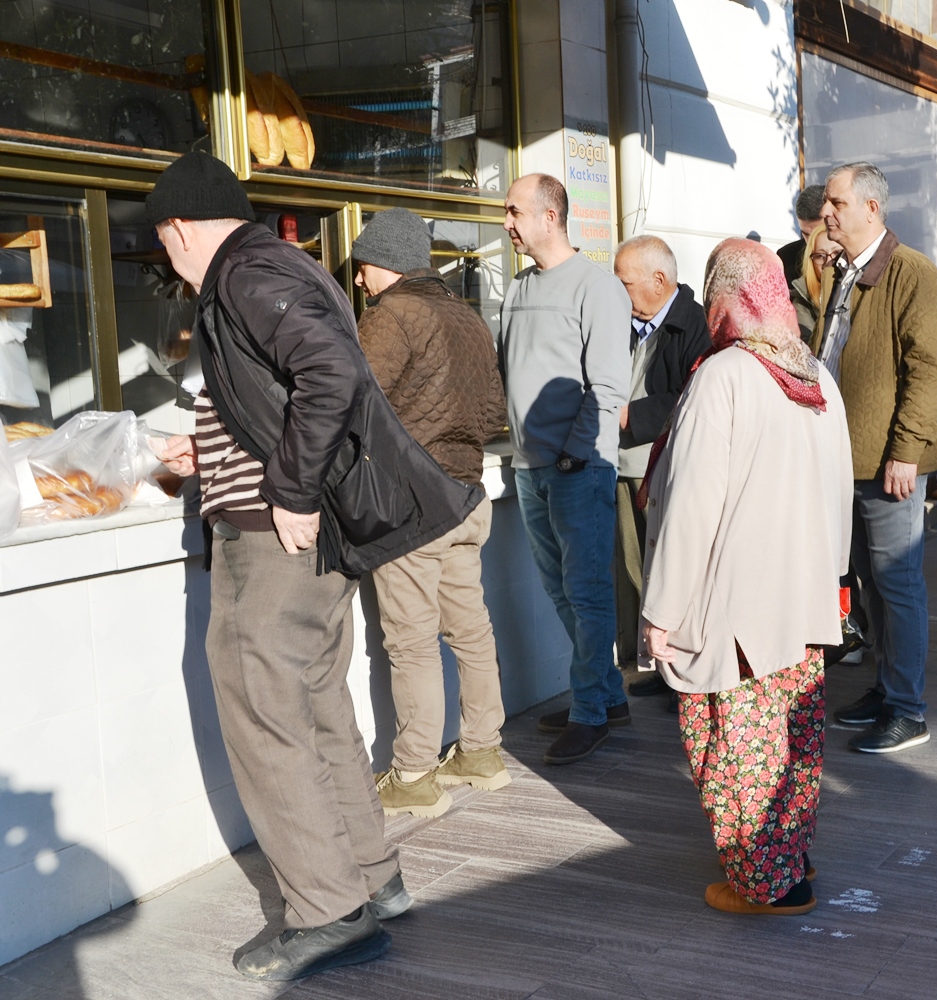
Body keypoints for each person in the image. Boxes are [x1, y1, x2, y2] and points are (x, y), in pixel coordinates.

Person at [150, 153, 483, 980]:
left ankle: (328, 910)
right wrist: (213, 446)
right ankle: (370, 881)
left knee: (266, 707)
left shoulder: (244, 272)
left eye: (163, 242)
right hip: (290, 526)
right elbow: (287, 389)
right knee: (316, 702)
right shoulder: (268, 268)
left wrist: (293, 492)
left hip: (275, 534)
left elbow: (329, 373)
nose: (166, 259)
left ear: (180, 226)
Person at [639, 238, 851, 916]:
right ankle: (790, 853)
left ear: (727, 300)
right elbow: (840, 488)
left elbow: (691, 502)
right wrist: (833, 582)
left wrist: (661, 609)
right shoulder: (816, 373)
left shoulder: (725, 374)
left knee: (736, 745)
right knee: (792, 739)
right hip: (804, 595)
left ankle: (769, 883)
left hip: (735, 602)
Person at [351, 208, 510, 818]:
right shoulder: (467, 316)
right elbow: (493, 405)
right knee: (470, 630)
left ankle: (415, 773)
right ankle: (481, 752)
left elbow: (354, 399)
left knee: (412, 642)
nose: (360, 280)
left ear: (382, 263)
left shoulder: (391, 316)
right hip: (468, 494)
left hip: (413, 501)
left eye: (363, 266)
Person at [811, 161, 937, 754]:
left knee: (898, 585)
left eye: (837, 203)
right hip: (848, 459)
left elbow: (929, 371)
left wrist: (906, 453)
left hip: (887, 462)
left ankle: (908, 709)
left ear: (872, 208)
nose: (826, 213)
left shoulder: (913, 273)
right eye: (826, 203)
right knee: (869, 584)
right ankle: (886, 687)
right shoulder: (846, 271)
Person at [498, 173, 633, 765]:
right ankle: (604, 695)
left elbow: (606, 386)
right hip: (529, 466)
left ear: (550, 216)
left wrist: (575, 453)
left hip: (577, 468)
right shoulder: (517, 289)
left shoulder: (597, 288)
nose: (507, 223)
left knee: (587, 591)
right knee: (560, 590)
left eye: (514, 211)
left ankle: (588, 713)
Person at [611, 235, 712, 699]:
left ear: (659, 279)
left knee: (673, 570)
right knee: (636, 569)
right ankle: (654, 665)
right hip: (622, 462)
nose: (619, 290)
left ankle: (684, 671)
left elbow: (699, 395)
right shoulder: (625, 318)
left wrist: (636, 415)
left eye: (625, 282)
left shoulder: (694, 323)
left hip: (664, 464)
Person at [791, 224, 840, 343]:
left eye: (837, 253)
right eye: (820, 256)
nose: (828, 262)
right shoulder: (801, 300)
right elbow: (810, 346)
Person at [777, 185, 826, 290]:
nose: (811, 242)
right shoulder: (786, 258)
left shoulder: (850, 256)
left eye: (818, 234)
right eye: (806, 234)